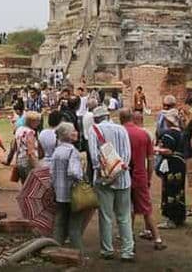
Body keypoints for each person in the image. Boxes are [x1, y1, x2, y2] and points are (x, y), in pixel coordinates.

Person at [87, 106, 134, 262]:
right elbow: (127, 155)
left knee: (106, 216)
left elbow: (94, 157)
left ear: (95, 119)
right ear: (108, 116)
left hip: (103, 180)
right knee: (124, 216)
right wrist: (118, 171)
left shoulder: (94, 130)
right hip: (123, 178)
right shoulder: (121, 129)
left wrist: (106, 174)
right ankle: (128, 250)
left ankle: (107, 249)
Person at [120, 108, 165, 250]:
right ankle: (157, 239)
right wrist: (149, 177)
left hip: (124, 174)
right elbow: (151, 159)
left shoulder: (120, 133)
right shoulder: (144, 134)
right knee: (146, 209)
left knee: (127, 208)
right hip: (140, 174)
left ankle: (128, 237)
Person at [50, 122, 85, 251]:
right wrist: (81, 177)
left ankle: (56, 250)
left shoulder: (57, 151)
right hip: (73, 193)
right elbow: (74, 172)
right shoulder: (72, 151)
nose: (76, 133)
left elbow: (51, 173)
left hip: (60, 193)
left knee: (59, 222)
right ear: (67, 135)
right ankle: (79, 253)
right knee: (75, 226)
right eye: (73, 131)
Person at [15, 111, 42, 184]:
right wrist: (37, 167)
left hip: (20, 160)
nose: (38, 123)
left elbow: (16, 146)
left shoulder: (19, 129)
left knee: (25, 186)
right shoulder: (30, 132)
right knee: (32, 186)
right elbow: (31, 152)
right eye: (37, 121)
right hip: (28, 162)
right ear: (32, 121)